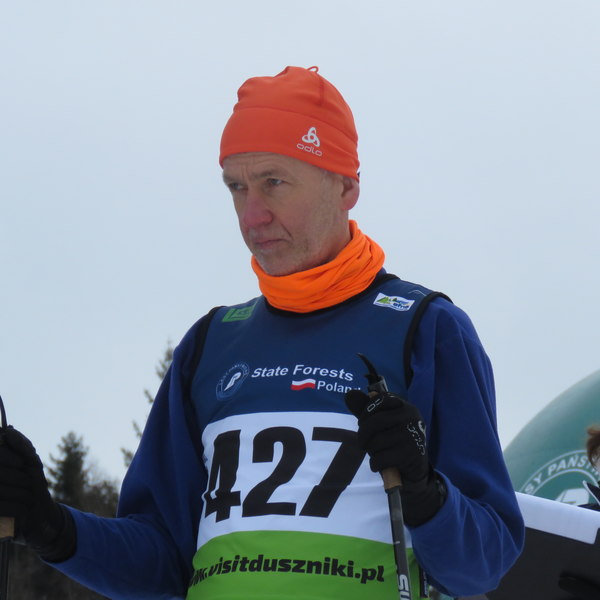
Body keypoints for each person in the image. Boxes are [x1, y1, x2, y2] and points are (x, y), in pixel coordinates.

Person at [0, 66, 524, 599]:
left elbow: (485, 564)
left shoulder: (426, 328)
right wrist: (51, 526)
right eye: (236, 187)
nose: (252, 216)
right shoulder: (211, 344)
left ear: (345, 186)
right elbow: (162, 562)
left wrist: (427, 495)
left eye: (274, 182)